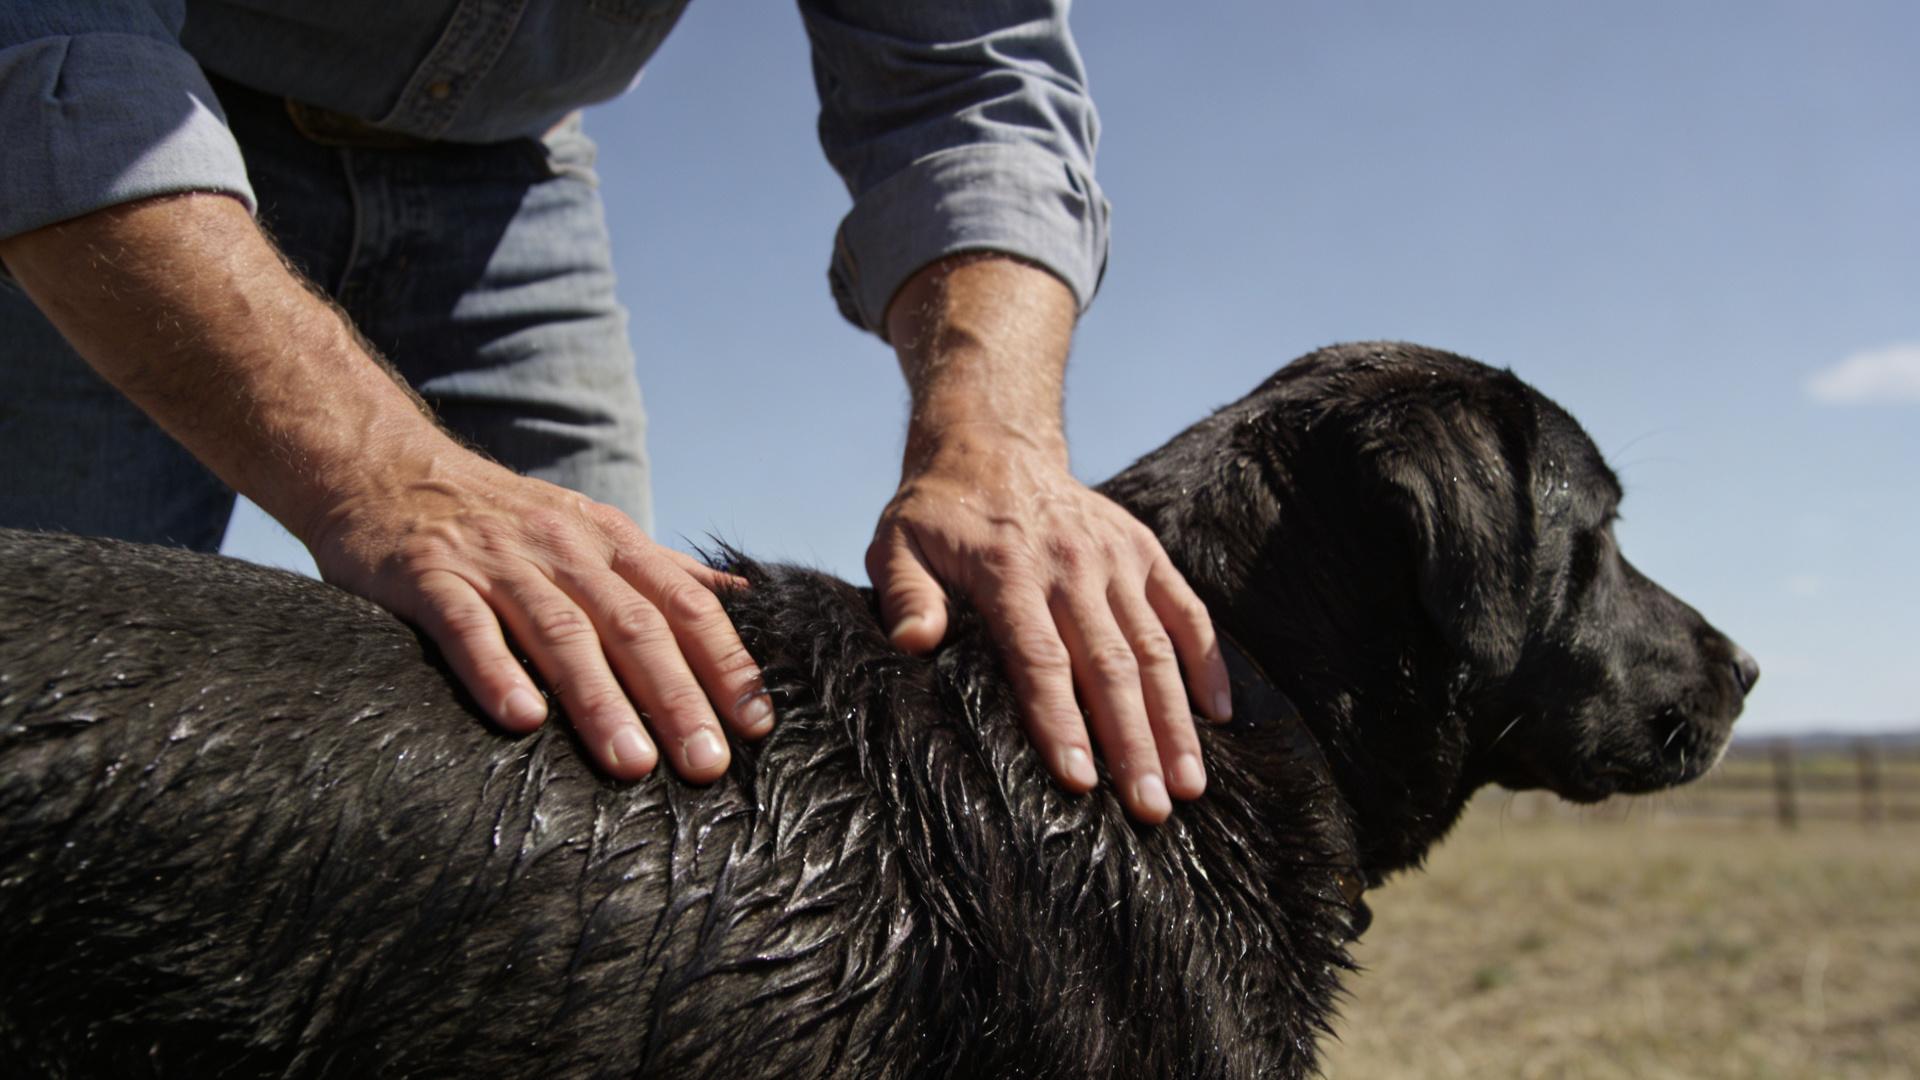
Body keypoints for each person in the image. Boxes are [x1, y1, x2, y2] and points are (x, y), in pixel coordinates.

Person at [0, 1, 1231, 823]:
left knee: (605, 746)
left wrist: (996, 438)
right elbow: (51, 39)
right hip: (119, 107)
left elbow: (970, 83)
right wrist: (379, 474)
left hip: (507, 172)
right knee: (40, 713)